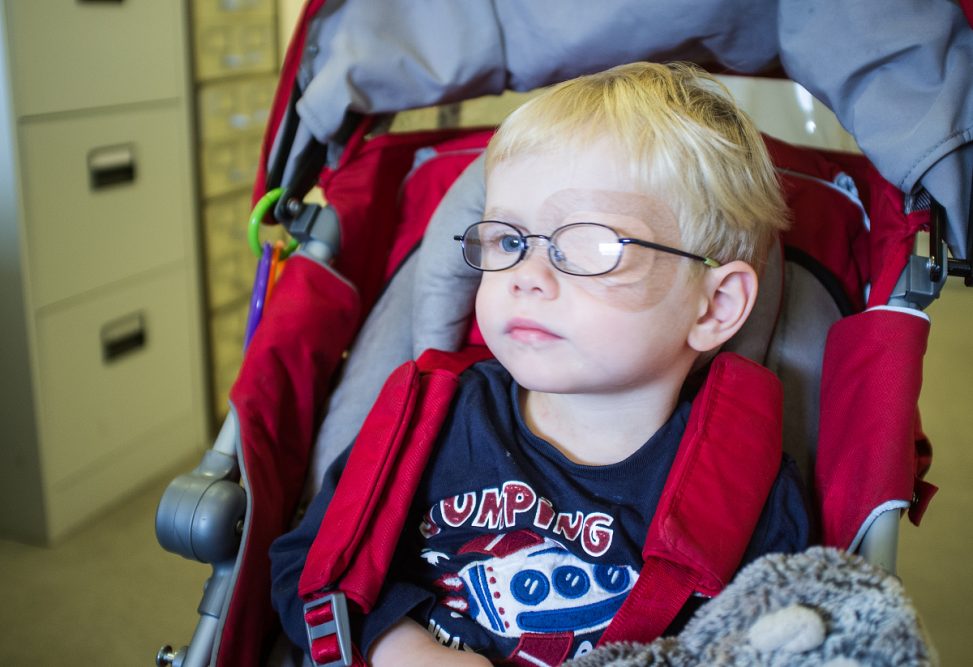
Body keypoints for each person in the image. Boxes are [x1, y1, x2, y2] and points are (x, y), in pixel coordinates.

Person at [270, 62, 809, 666]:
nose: (526, 276)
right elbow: (305, 565)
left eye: (591, 247)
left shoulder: (742, 488)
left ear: (714, 305)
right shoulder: (432, 418)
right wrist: (401, 648)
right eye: (508, 241)